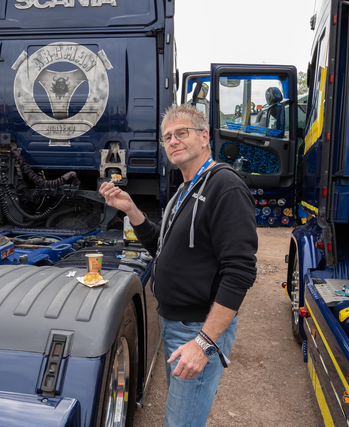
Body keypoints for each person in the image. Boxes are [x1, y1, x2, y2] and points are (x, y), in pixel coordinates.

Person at [99, 104, 258, 426]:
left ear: (204, 138)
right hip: (177, 325)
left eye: (181, 133)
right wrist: (131, 210)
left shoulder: (223, 185)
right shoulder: (185, 189)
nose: (173, 141)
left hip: (197, 329)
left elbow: (240, 271)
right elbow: (162, 247)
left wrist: (204, 342)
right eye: (167, 137)